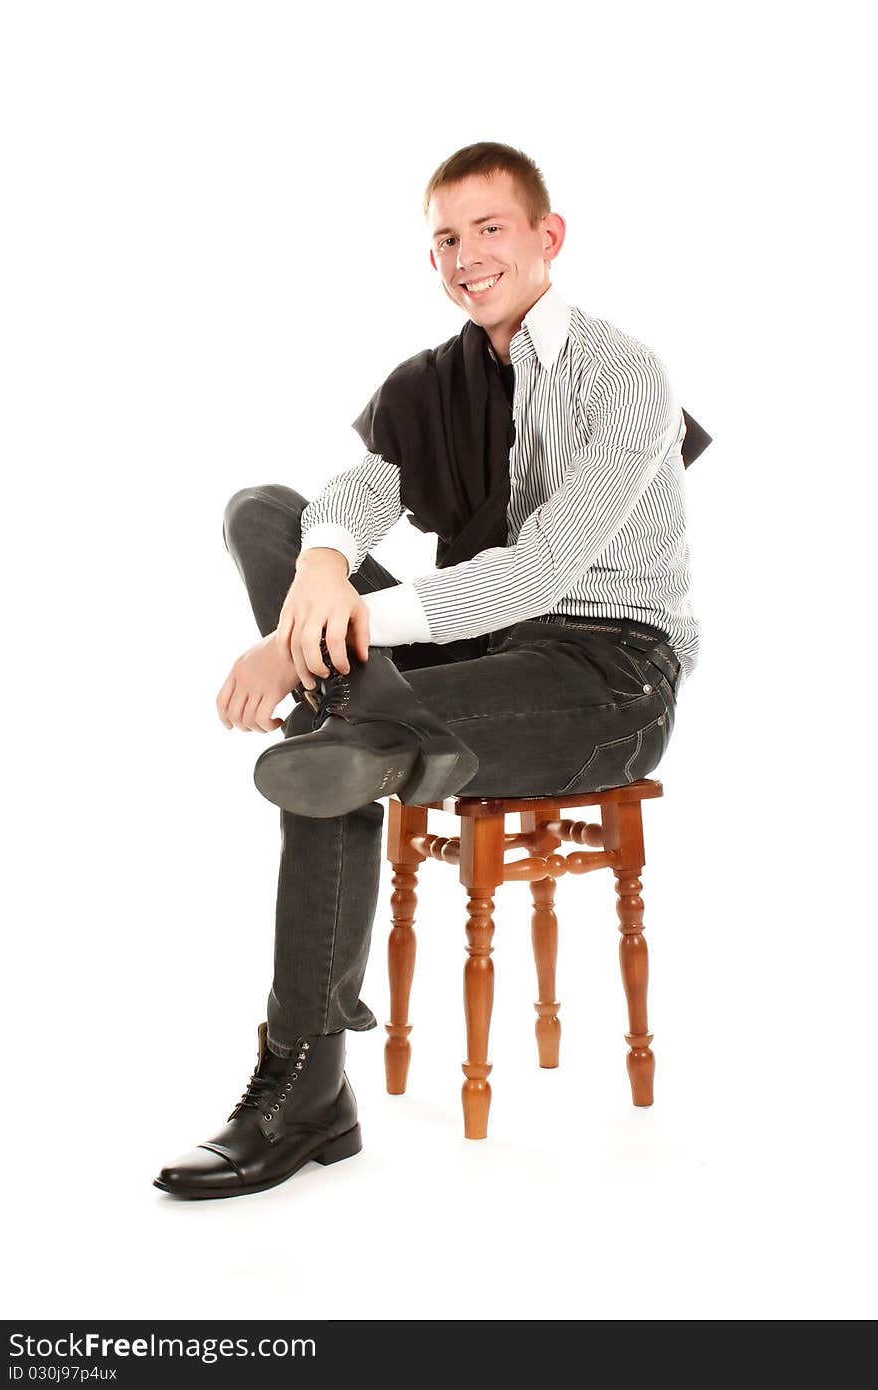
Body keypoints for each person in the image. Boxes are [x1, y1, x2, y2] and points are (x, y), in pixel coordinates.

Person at [154, 141, 699, 1200]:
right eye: (445, 238)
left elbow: (541, 574)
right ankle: (368, 726)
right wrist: (317, 569)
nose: (465, 255)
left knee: (337, 740)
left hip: (606, 674)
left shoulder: (628, 376)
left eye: (489, 228)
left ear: (547, 237)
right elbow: (359, 491)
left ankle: (304, 1089)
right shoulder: (432, 380)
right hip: (474, 657)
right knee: (264, 513)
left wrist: (315, 630)